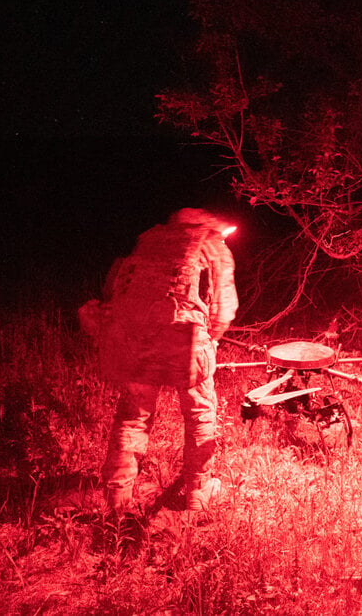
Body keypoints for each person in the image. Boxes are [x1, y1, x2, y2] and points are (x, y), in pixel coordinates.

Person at [81, 208, 239, 512]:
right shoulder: (211, 243)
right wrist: (212, 340)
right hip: (183, 338)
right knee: (199, 412)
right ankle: (198, 490)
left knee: (132, 415)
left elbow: (114, 288)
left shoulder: (149, 240)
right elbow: (224, 308)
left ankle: (117, 494)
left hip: (134, 337)